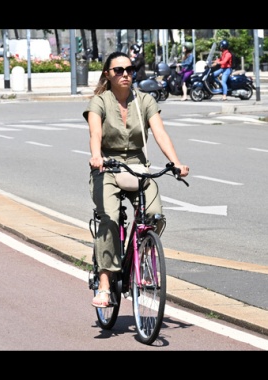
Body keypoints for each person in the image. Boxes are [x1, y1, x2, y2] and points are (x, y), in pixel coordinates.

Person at [83, 51, 189, 308]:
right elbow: (95, 133)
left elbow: (160, 132)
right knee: (109, 217)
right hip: (107, 168)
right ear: (108, 74)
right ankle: (106, 283)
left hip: (138, 168)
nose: (125, 74)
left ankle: (140, 254)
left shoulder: (144, 100)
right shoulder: (100, 101)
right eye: (118, 70)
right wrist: (97, 156)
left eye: (129, 70)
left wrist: (175, 162)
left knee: (154, 215)